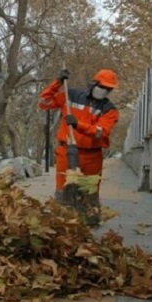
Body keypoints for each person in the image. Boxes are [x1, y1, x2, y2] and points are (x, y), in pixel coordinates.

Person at [38, 68, 120, 217]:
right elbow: (44, 102)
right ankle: (62, 223)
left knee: (89, 193)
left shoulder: (110, 111)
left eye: (108, 89)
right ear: (94, 84)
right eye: (102, 87)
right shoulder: (72, 95)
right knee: (63, 191)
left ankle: (88, 224)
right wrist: (57, 83)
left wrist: (77, 124)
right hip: (66, 152)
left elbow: (100, 131)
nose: (104, 91)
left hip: (92, 156)